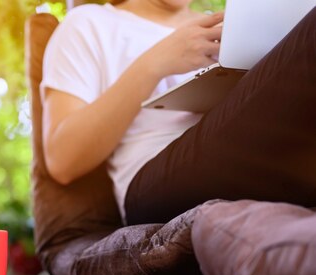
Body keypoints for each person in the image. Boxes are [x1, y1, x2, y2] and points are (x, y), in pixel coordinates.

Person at [41, 0, 316, 225]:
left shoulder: (228, 25)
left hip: (260, 155)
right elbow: (63, 160)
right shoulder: (88, 23)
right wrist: (155, 63)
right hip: (153, 186)